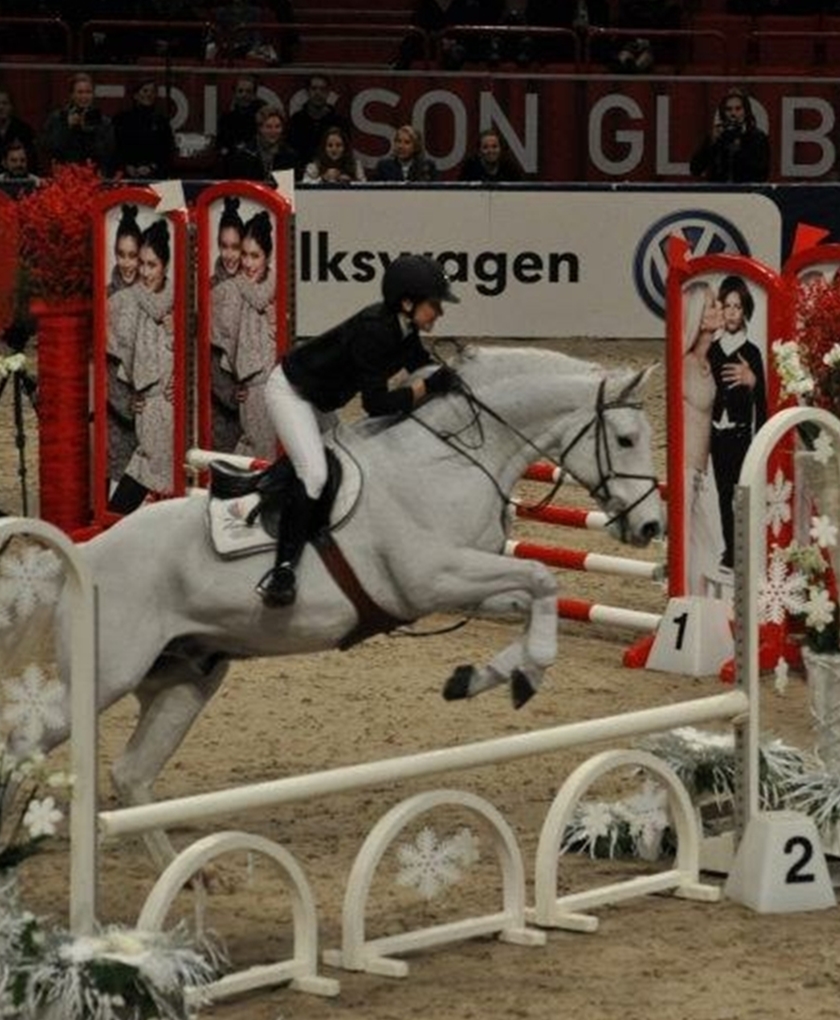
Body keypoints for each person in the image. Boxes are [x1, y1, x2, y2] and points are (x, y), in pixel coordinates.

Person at [258, 254, 461, 607]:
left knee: (349, 464)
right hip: (291, 392)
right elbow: (376, 404)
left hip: (320, 400)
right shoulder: (375, 331)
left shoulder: (404, 328)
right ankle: (283, 571)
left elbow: (422, 366)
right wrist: (428, 388)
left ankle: (320, 535)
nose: (440, 312)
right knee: (315, 474)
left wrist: (459, 376)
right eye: (434, 304)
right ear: (407, 303)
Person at [108, 218, 175, 514]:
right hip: (145, 411)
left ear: (165, 266)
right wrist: (127, 398)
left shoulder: (181, 304)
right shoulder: (123, 302)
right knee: (146, 478)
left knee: (150, 479)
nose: (144, 272)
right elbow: (109, 363)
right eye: (142, 264)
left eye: (152, 265)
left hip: (170, 413)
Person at [708, 274, 767, 574]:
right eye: (728, 306)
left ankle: (745, 548)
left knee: (742, 493)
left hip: (742, 435)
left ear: (745, 311)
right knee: (723, 494)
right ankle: (730, 551)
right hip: (717, 435)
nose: (732, 313)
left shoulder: (752, 353)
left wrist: (752, 380)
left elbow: (763, 402)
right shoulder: (712, 350)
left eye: (738, 307)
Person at [681, 279, 725, 595]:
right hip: (685, 469)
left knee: (707, 547)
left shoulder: (709, 361)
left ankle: (697, 605)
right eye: (712, 305)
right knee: (692, 546)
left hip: (700, 472)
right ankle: (687, 602)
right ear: (698, 315)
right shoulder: (683, 364)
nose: (720, 308)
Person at [230, 210, 278, 460]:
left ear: (267, 257)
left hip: (267, 387)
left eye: (255, 256)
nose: (247, 264)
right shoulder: (246, 290)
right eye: (244, 254)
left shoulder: (270, 286)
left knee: (260, 456)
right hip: (249, 389)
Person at [105, 204, 142, 494]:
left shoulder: (157, 294)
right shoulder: (106, 296)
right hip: (116, 408)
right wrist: (126, 405)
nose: (127, 263)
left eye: (133, 255)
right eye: (122, 255)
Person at [209, 195, 246, 452]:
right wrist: (231, 394)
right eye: (224, 246)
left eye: (235, 247)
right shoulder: (209, 287)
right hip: (218, 401)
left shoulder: (258, 286)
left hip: (253, 399)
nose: (229, 254)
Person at [689, 88, 770, 184]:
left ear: (746, 111)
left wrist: (739, 147)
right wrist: (711, 143)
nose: (733, 113)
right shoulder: (717, 136)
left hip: (745, 191)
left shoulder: (757, 137)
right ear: (723, 112)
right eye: (728, 109)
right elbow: (695, 169)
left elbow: (762, 174)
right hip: (719, 190)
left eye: (738, 109)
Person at [40, 71, 115, 173]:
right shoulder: (58, 118)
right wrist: (67, 127)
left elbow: (107, 152)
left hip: (92, 174)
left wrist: (89, 131)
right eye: (80, 92)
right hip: (65, 174)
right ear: (72, 95)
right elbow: (48, 148)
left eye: (88, 92)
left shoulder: (103, 121)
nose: (84, 96)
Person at [112, 79, 176, 181]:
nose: (149, 94)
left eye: (153, 91)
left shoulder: (161, 122)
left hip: (155, 177)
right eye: (145, 91)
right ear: (135, 95)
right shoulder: (121, 119)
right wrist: (125, 167)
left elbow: (168, 151)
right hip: (126, 177)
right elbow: (114, 148)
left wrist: (152, 167)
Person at [286, 73, 351, 173]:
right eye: (314, 89)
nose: (318, 93)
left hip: (333, 174)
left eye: (322, 89)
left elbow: (346, 152)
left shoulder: (339, 122)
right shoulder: (296, 120)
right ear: (307, 91)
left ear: (328, 92)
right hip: (300, 175)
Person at [224, 104, 299, 182]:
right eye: (268, 127)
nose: (273, 131)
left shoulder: (289, 155)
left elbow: (289, 184)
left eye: (277, 126)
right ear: (259, 128)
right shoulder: (244, 154)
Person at [214, 74, 265, 175]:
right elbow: (221, 144)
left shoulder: (262, 117)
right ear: (235, 93)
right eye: (240, 91)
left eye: (248, 91)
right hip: (231, 167)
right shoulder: (226, 118)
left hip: (257, 168)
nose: (244, 95)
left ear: (254, 94)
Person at [301, 126, 366, 184]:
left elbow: (364, 186)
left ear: (345, 147)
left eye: (338, 145)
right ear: (324, 148)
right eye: (330, 145)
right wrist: (323, 179)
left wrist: (350, 182)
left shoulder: (355, 166)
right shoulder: (314, 166)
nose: (334, 149)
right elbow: (304, 186)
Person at [0, 88, 38, 175]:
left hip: (20, 178)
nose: (0, 107)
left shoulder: (24, 130)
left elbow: (32, 161)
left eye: (4, 103)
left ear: (11, 106)